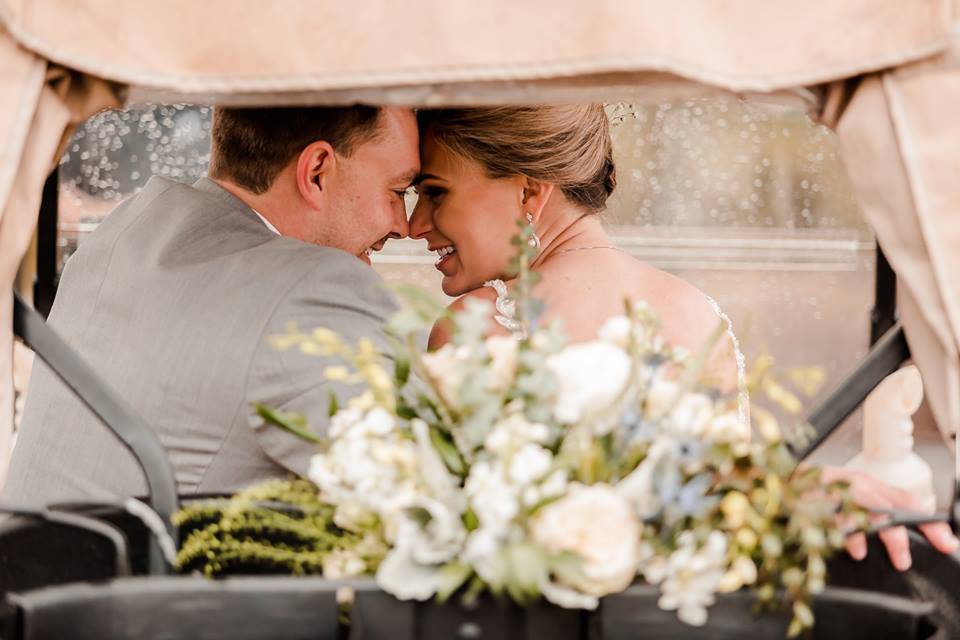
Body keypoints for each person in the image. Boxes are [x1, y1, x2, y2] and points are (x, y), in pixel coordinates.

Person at [408, 104, 958, 570]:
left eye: (434, 192)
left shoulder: (474, 327)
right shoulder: (697, 311)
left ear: (530, 192)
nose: (414, 224)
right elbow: (726, 515)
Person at [3, 105, 419, 503]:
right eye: (398, 191)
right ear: (316, 173)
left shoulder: (122, 233)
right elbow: (419, 493)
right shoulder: (313, 290)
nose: (405, 226)